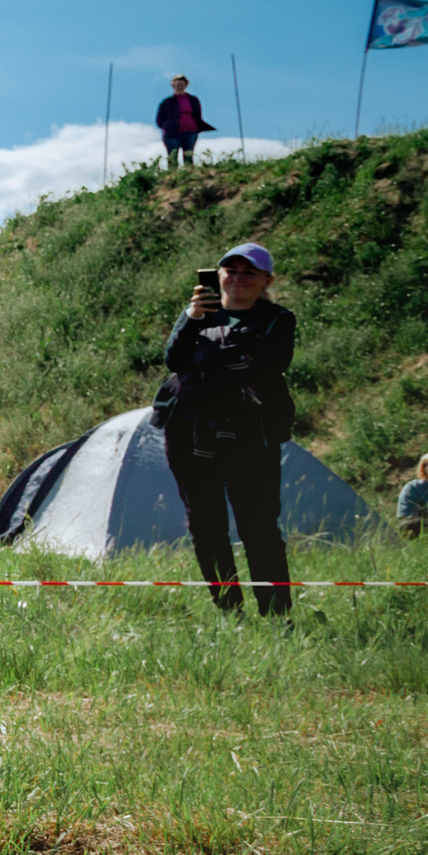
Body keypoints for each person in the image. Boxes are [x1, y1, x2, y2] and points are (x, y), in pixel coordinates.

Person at [162, 242, 297, 616]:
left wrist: (211, 362)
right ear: (218, 274)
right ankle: (229, 612)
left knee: (259, 528)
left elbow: (270, 365)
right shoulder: (196, 313)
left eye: (248, 272)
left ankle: (276, 614)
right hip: (190, 431)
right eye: (230, 270)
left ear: (266, 280)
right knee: (205, 527)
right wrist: (191, 319)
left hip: (252, 434)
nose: (237, 278)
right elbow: (174, 359)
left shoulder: (278, 319)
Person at [158, 75, 211, 169]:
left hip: (190, 131)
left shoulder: (193, 100)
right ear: (173, 86)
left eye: (182, 84)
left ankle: (189, 176)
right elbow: (159, 119)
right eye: (177, 84)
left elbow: (198, 114)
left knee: (188, 155)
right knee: (173, 156)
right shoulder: (167, 102)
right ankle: (172, 177)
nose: (179, 87)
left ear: (186, 85)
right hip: (172, 133)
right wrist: (168, 127)